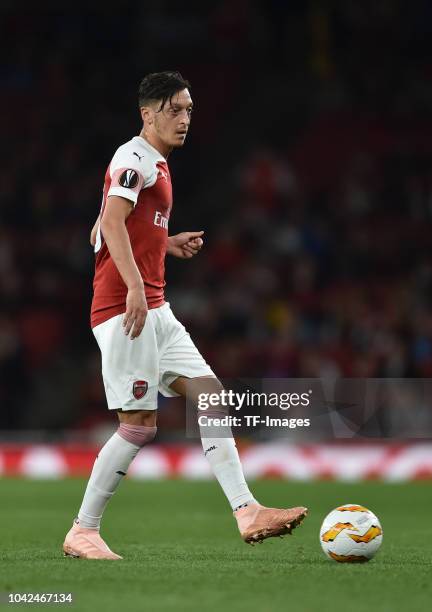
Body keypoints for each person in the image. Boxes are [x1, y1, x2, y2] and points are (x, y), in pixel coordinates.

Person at [63, 71, 307, 560]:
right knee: (138, 426)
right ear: (147, 114)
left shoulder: (157, 163)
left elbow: (101, 230)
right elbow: (110, 223)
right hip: (125, 308)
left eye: (190, 109)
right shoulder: (133, 158)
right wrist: (133, 284)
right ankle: (82, 531)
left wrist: (162, 245)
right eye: (174, 109)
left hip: (156, 306)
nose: (185, 119)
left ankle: (246, 510)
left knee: (212, 397)